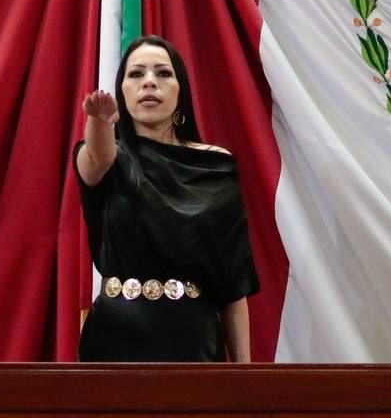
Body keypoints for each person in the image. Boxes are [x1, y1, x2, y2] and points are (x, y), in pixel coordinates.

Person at [74, 34, 259, 362]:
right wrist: (99, 120)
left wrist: (244, 376)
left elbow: (232, 284)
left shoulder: (216, 166)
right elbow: (99, 156)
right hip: (112, 343)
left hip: (193, 345)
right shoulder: (108, 159)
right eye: (136, 74)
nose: (149, 82)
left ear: (180, 90)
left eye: (162, 73)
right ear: (122, 91)